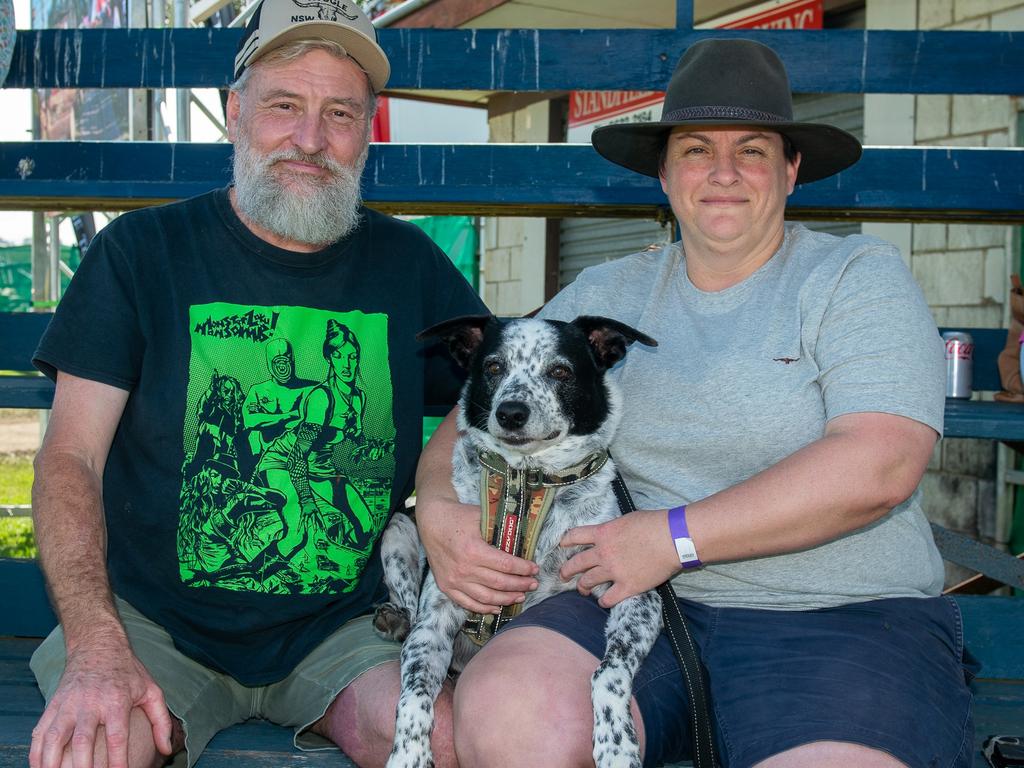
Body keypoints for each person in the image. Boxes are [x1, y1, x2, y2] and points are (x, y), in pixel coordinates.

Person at [415, 39, 975, 768]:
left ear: (792, 170)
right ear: (664, 171)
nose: (722, 173)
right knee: (507, 717)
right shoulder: (601, 295)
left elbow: (881, 465)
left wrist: (672, 539)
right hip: (622, 604)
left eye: (752, 151)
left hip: (838, 616)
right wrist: (440, 517)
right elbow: (469, 423)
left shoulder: (854, 278)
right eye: (695, 149)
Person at [27, 0, 485, 766]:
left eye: (340, 113)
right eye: (285, 106)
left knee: (447, 742)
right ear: (236, 112)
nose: (311, 140)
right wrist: (96, 641)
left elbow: (494, 398)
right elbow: (69, 459)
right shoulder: (141, 254)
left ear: (367, 132)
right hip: (152, 624)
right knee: (91, 750)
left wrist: (435, 494)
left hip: (351, 628)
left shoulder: (410, 267)